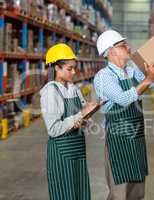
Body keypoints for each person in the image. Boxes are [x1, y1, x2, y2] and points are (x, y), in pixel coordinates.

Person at [93, 30, 154, 200]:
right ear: (110, 51)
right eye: (123, 45)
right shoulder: (103, 77)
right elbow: (124, 99)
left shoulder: (132, 72)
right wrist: (148, 79)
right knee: (120, 193)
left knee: (137, 192)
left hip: (136, 139)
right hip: (119, 141)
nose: (128, 48)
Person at [40, 43, 97, 200]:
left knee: (80, 193)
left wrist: (87, 115)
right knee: (65, 195)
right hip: (61, 154)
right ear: (57, 68)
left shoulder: (73, 88)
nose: (73, 72)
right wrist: (78, 117)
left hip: (78, 150)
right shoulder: (50, 91)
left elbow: (81, 113)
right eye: (69, 69)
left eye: (74, 68)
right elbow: (53, 129)